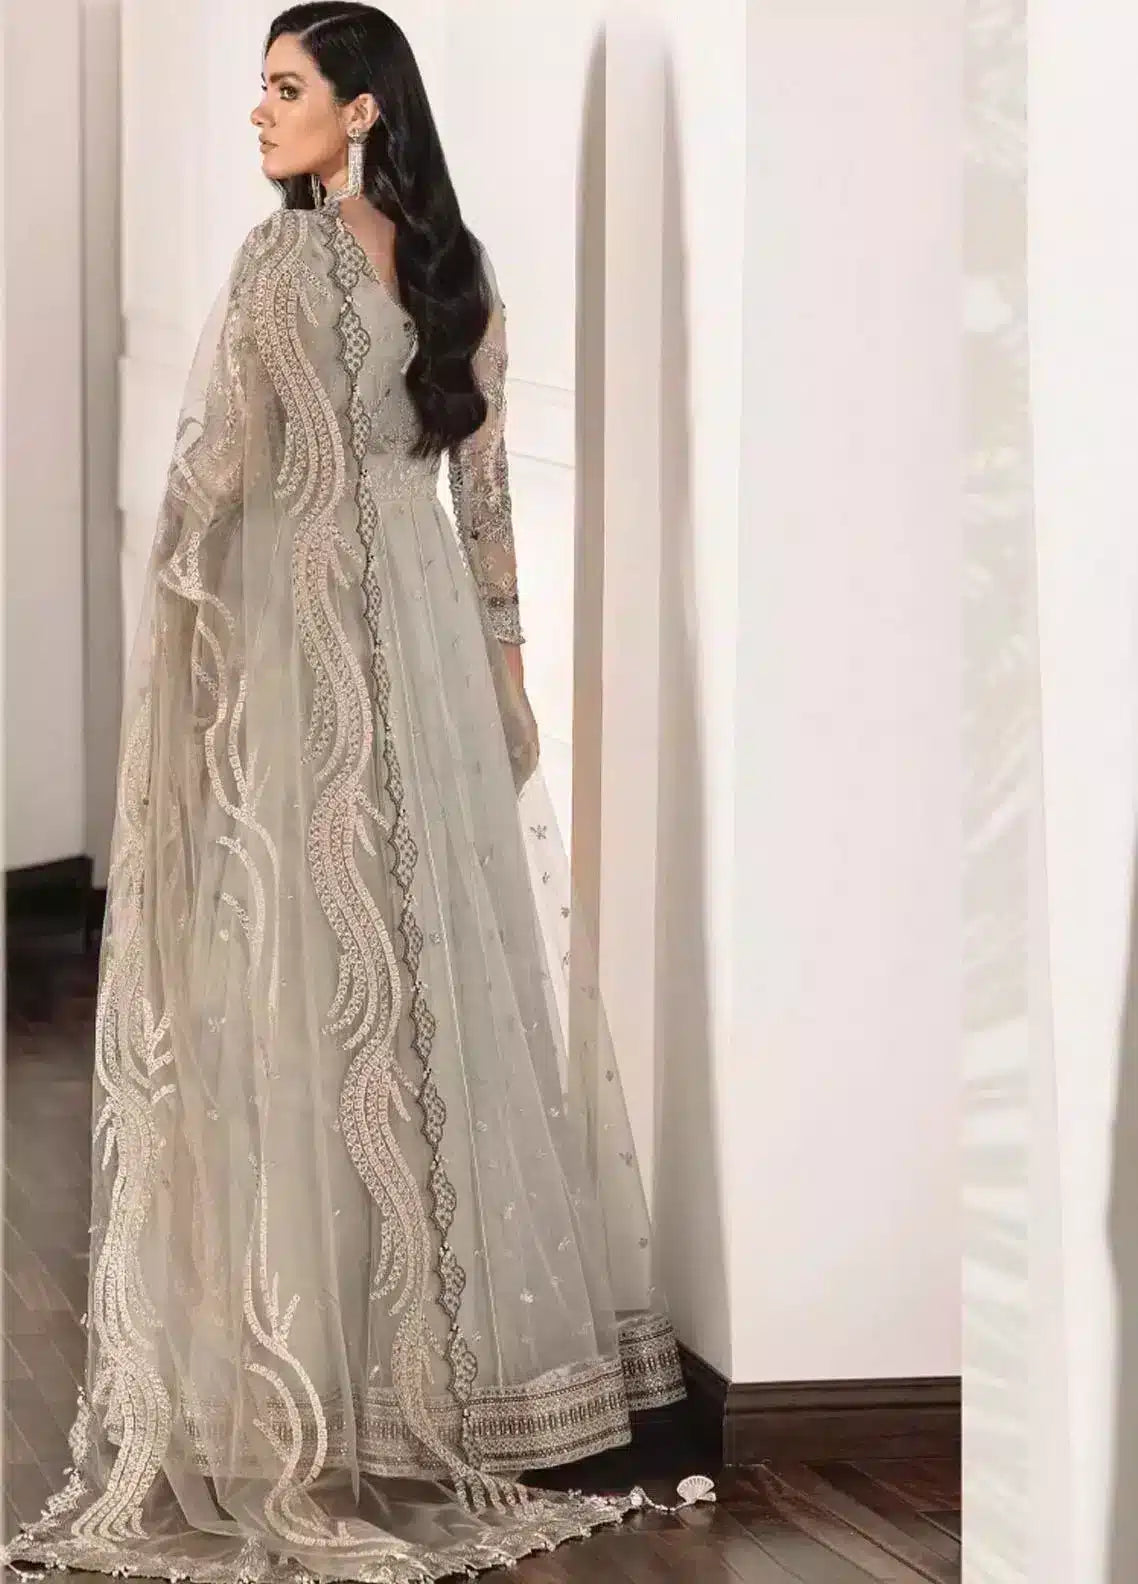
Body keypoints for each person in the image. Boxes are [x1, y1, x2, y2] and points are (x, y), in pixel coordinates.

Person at [3, 7, 699, 1580]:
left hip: (315, 646)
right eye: (260, 89)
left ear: (364, 110)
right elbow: (466, 499)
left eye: (286, 88)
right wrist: (502, 674)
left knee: (323, 981)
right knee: (405, 981)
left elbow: (224, 479)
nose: (260, 115)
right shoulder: (430, 270)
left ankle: (341, 1368)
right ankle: (418, 1371)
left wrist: (186, 636)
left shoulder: (308, 264)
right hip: (410, 647)